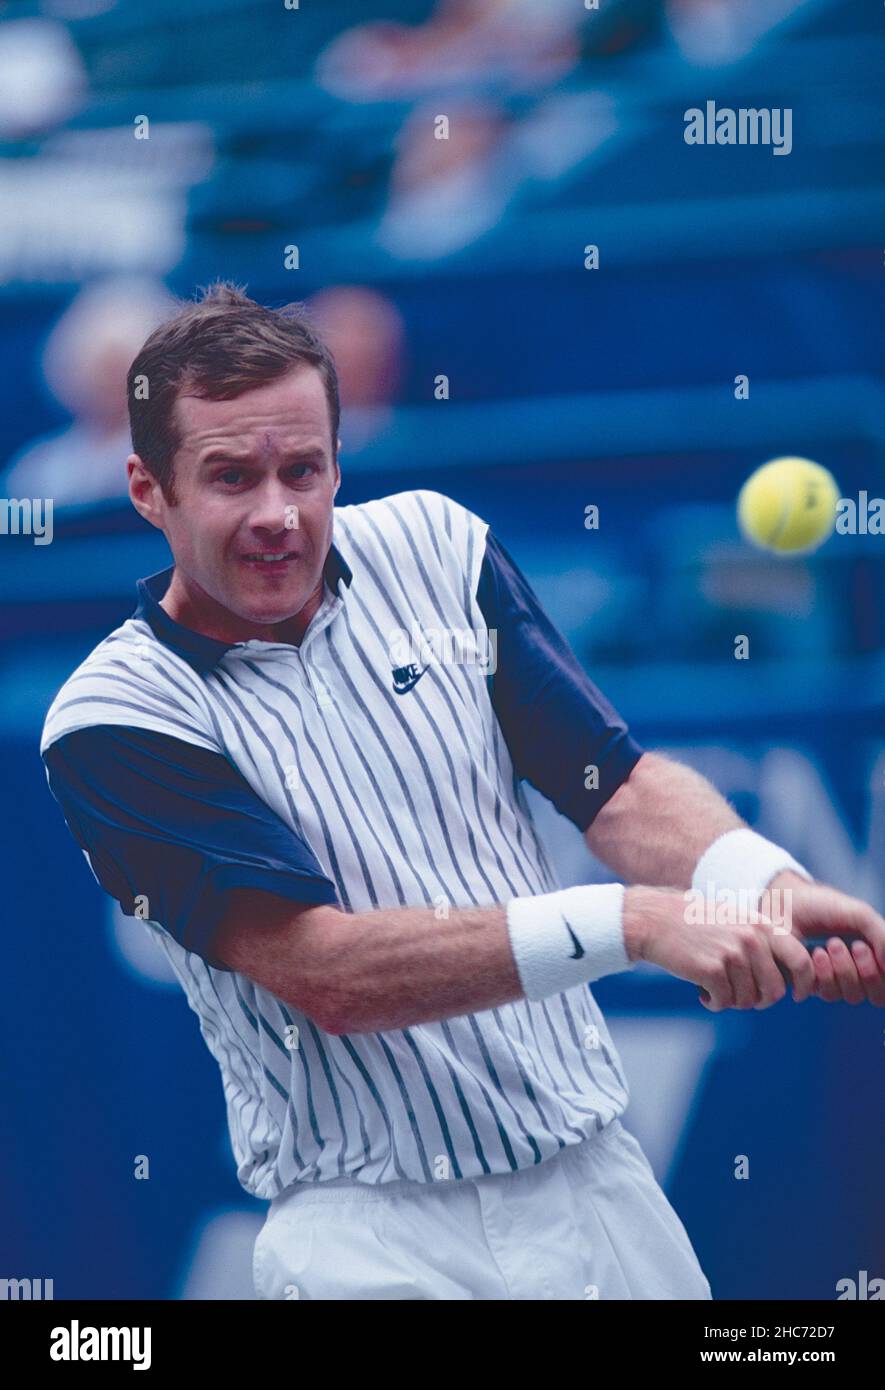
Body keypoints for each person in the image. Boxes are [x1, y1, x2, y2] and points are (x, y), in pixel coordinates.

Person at [40, 283, 885, 1301]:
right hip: (369, 1240)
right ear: (147, 487)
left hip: (599, 1191)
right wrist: (638, 921)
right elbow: (329, 974)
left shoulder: (439, 546)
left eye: (303, 470)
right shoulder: (113, 717)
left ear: (338, 462)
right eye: (229, 477)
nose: (276, 513)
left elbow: (610, 785)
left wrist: (759, 877)